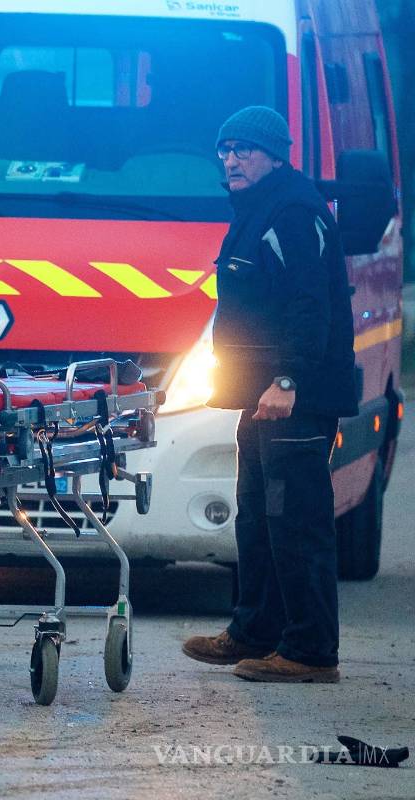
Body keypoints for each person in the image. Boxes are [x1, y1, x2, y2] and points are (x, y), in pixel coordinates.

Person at [182, 106, 356, 683]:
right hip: (260, 397)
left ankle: (309, 652)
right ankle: (254, 631)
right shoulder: (258, 209)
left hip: (292, 400)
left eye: (244, 150)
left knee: (295, 523)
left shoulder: (294, 212)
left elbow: (311, 309)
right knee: (257, 519)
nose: (230, 159)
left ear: (276, 155)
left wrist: (287, 382)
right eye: (224, 149)